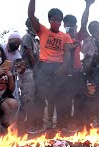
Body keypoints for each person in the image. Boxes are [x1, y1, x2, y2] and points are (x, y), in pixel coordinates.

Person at [28, 0, 72, 130]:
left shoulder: (65, 36)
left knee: (60, 97)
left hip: (59, 67)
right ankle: (39, 125)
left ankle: (60, 126)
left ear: (61, 22)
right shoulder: (42, 30)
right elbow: (31, 15)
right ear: (49, 19)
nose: (56, 21)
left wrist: (64, 67)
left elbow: (68, 52)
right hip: (44, 67)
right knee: (40, 96)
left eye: (59, 20)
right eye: (54, 19)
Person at [18, 19, 39, 133]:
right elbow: (29, 54)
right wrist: (37, 69)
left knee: (31, 98)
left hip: (33, 69)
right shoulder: (27, 37)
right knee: (28, 98)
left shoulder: (35, 40)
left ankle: (25, 125)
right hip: (28, 70)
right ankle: (27, 125)